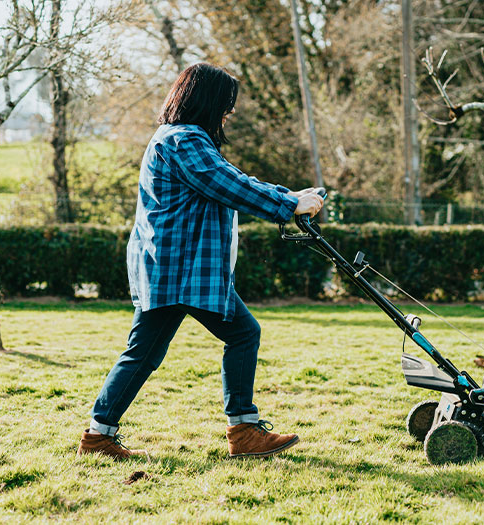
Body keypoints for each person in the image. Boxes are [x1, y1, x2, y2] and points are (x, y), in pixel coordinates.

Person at [77, 63, 324, 460]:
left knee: (144, 352)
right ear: (207, 101)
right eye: (226, 104)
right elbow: (228, 185)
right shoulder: (184, 141)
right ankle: (243, 431)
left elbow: (231, 177)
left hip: (174, 268)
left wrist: (288, 195)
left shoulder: (181, 139)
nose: (229, 113)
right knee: (242, 334)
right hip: (182, 270)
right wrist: (288, 203)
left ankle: (98, 436)